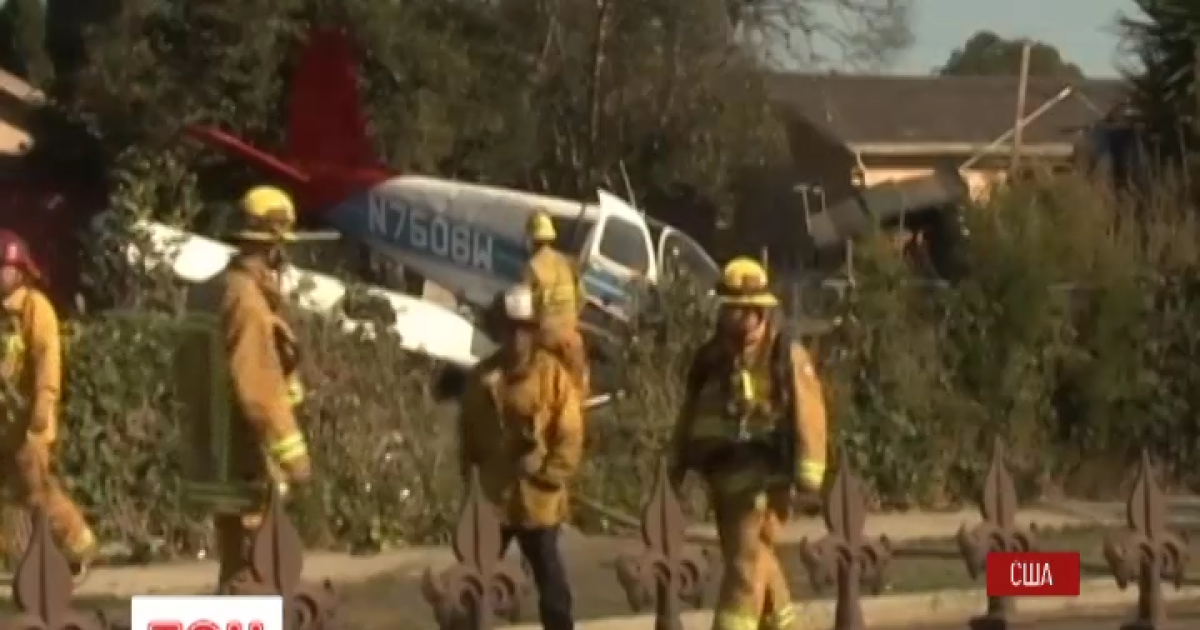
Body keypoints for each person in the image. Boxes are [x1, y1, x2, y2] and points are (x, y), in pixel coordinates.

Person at [667, 257, 829, 630]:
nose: (735, 320)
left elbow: (810, 418)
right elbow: (689, 414)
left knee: (744, 569)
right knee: (757, 563)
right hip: (722, 481)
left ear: (761, 313)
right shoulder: (711, 359)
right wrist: (676, 467)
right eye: (729, 310)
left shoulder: (785, 357)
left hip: (763, 482)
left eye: (743, 312)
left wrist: (808, 480)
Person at [183, 186, 313, 593]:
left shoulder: (210, 290)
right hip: (245, 450)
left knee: (234, 559)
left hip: (211, 446)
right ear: (273, 248)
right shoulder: (248, 302)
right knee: (259, 568)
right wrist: (294, 457)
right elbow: (259, 387)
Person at [457, 283, 584, 630]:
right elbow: (467, 435)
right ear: (499, 329)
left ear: (534, 332)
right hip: (493, 499)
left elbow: (570, 437)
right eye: (509, 329)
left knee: (551, 583)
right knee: (472, 577)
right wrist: (469, 485)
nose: (516, 339)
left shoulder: (553, 378)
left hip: (537, 502)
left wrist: (547, 474)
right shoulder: (481, 378)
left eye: (523, 330)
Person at [0, 230, 96, 577]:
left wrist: (43, 408)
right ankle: (17, 560)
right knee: (10, 495)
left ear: (20, 270)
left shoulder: (35, 309)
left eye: (2, 267)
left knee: (37, 488)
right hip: (5, 421)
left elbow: (46, 361)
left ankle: (78, 543)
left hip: (31, 420)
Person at [521, 210, 589, 398]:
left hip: (545, 339)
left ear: (531, 239)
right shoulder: (567, 263)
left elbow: (524, 310)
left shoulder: (532, 267)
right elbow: (582, 298)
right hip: (571, 338)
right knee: (579, 393)